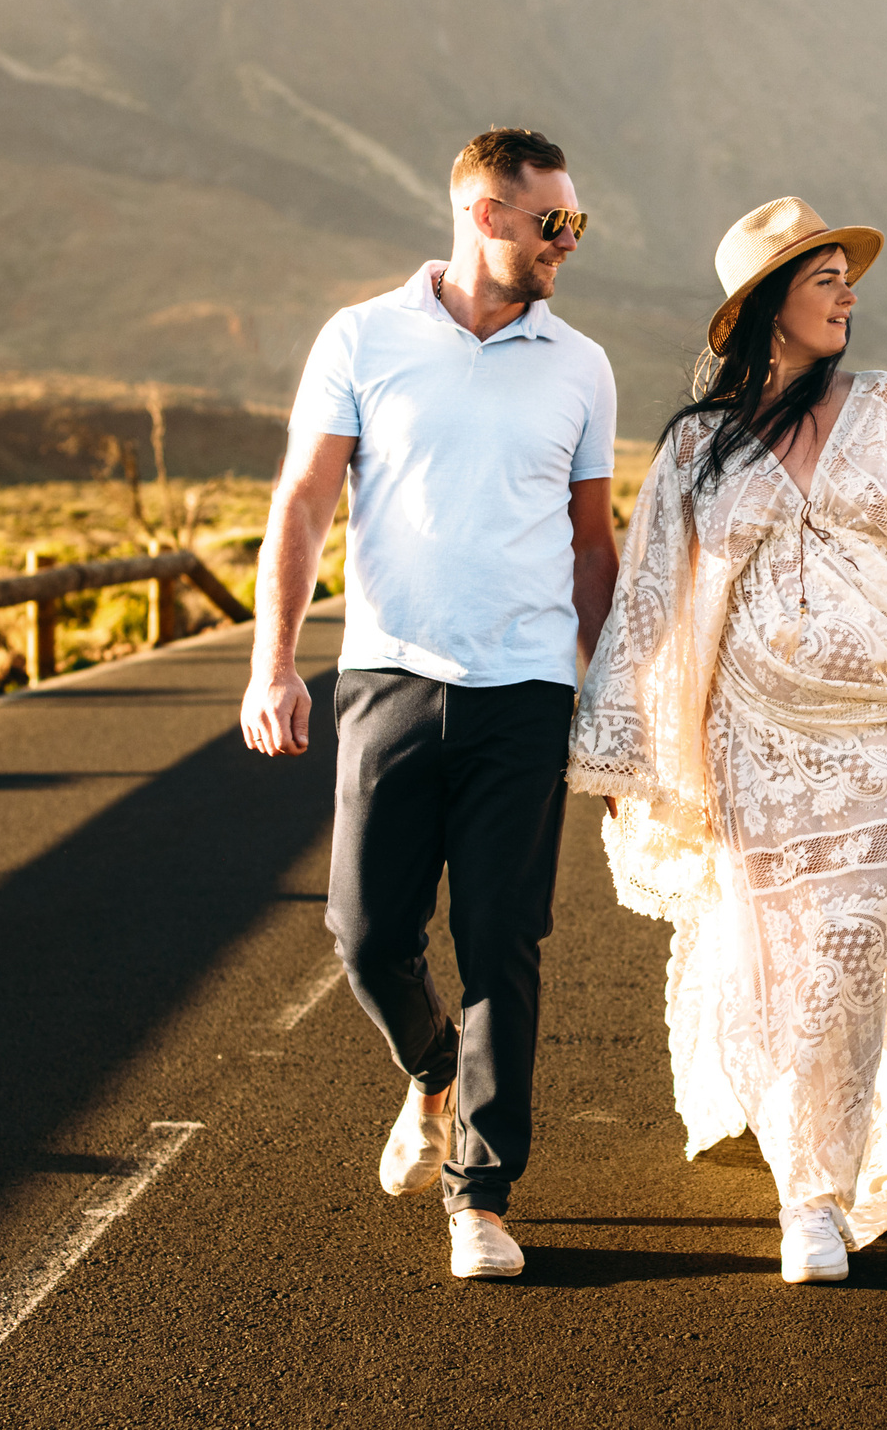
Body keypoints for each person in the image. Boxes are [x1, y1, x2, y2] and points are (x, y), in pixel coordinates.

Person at [568, 196, 887, 1284]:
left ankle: (816, 1195)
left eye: (849, 275)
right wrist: (619, 751)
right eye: (823, 277)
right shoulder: (699, 449)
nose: (848, 292)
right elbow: (651, 601)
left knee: (849, 953)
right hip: (760, 742)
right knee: (784, 958)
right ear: (764, 308)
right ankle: (811, 1177)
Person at [241, 126, 619, 1281]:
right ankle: (433, 1072)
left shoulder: (581, 365)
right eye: (553, 221)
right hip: (388, 679)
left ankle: (482, 1195)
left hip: (525, 692)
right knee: (362, 937)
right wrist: (274, 662)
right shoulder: (362, 338)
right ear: (485, 216)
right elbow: (303, 505)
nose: (569, 242)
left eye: (577, 223)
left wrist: (608, 701)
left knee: (504, 940)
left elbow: (590, 543)